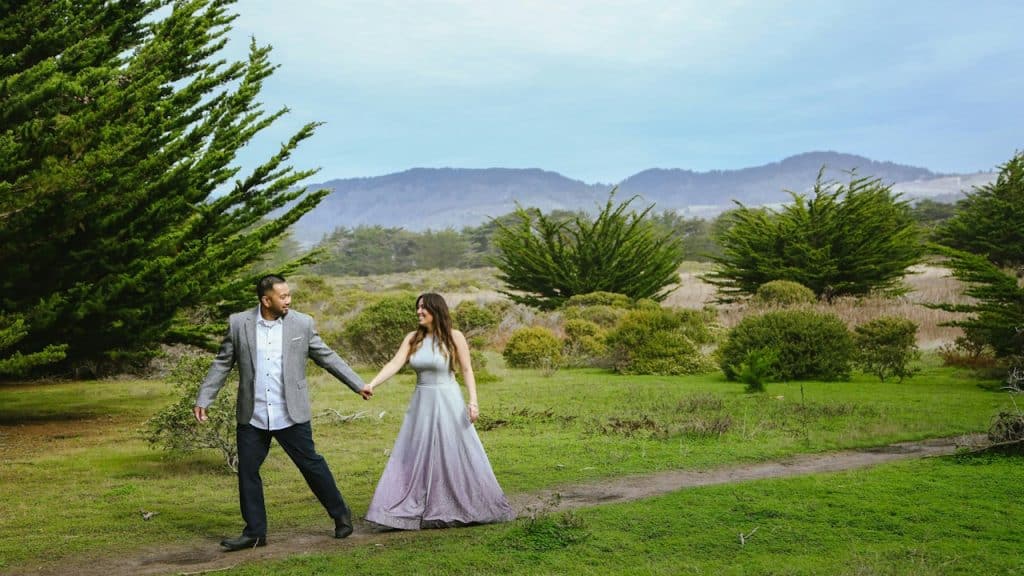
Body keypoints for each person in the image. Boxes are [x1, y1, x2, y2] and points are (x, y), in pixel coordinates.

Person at [193, 274, 373, 551]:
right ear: (266, 300)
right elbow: (222, 363)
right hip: (253, 415)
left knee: (311, 465)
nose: (289, 300)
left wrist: (357, 384)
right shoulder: (239, 323)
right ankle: (255, 532)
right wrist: (205, 398)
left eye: (289, 295)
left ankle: (340, 514)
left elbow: (327, 357)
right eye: (283, 296)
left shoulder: (302, 323)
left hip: (290, 413)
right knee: (248, 472)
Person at [363, 293, 515, 529]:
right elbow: (394, 363)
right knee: (416, 451)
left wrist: (473, 402)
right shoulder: (412, 338)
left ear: (436, 310)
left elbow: (467, 369)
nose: (419, 312)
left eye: (424, 308)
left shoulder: (455, 337)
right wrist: (372, 384)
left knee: (453, 449)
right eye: (417, 308)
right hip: (422, 402)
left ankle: (460, 500)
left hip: (448, 400)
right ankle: (417, 500)